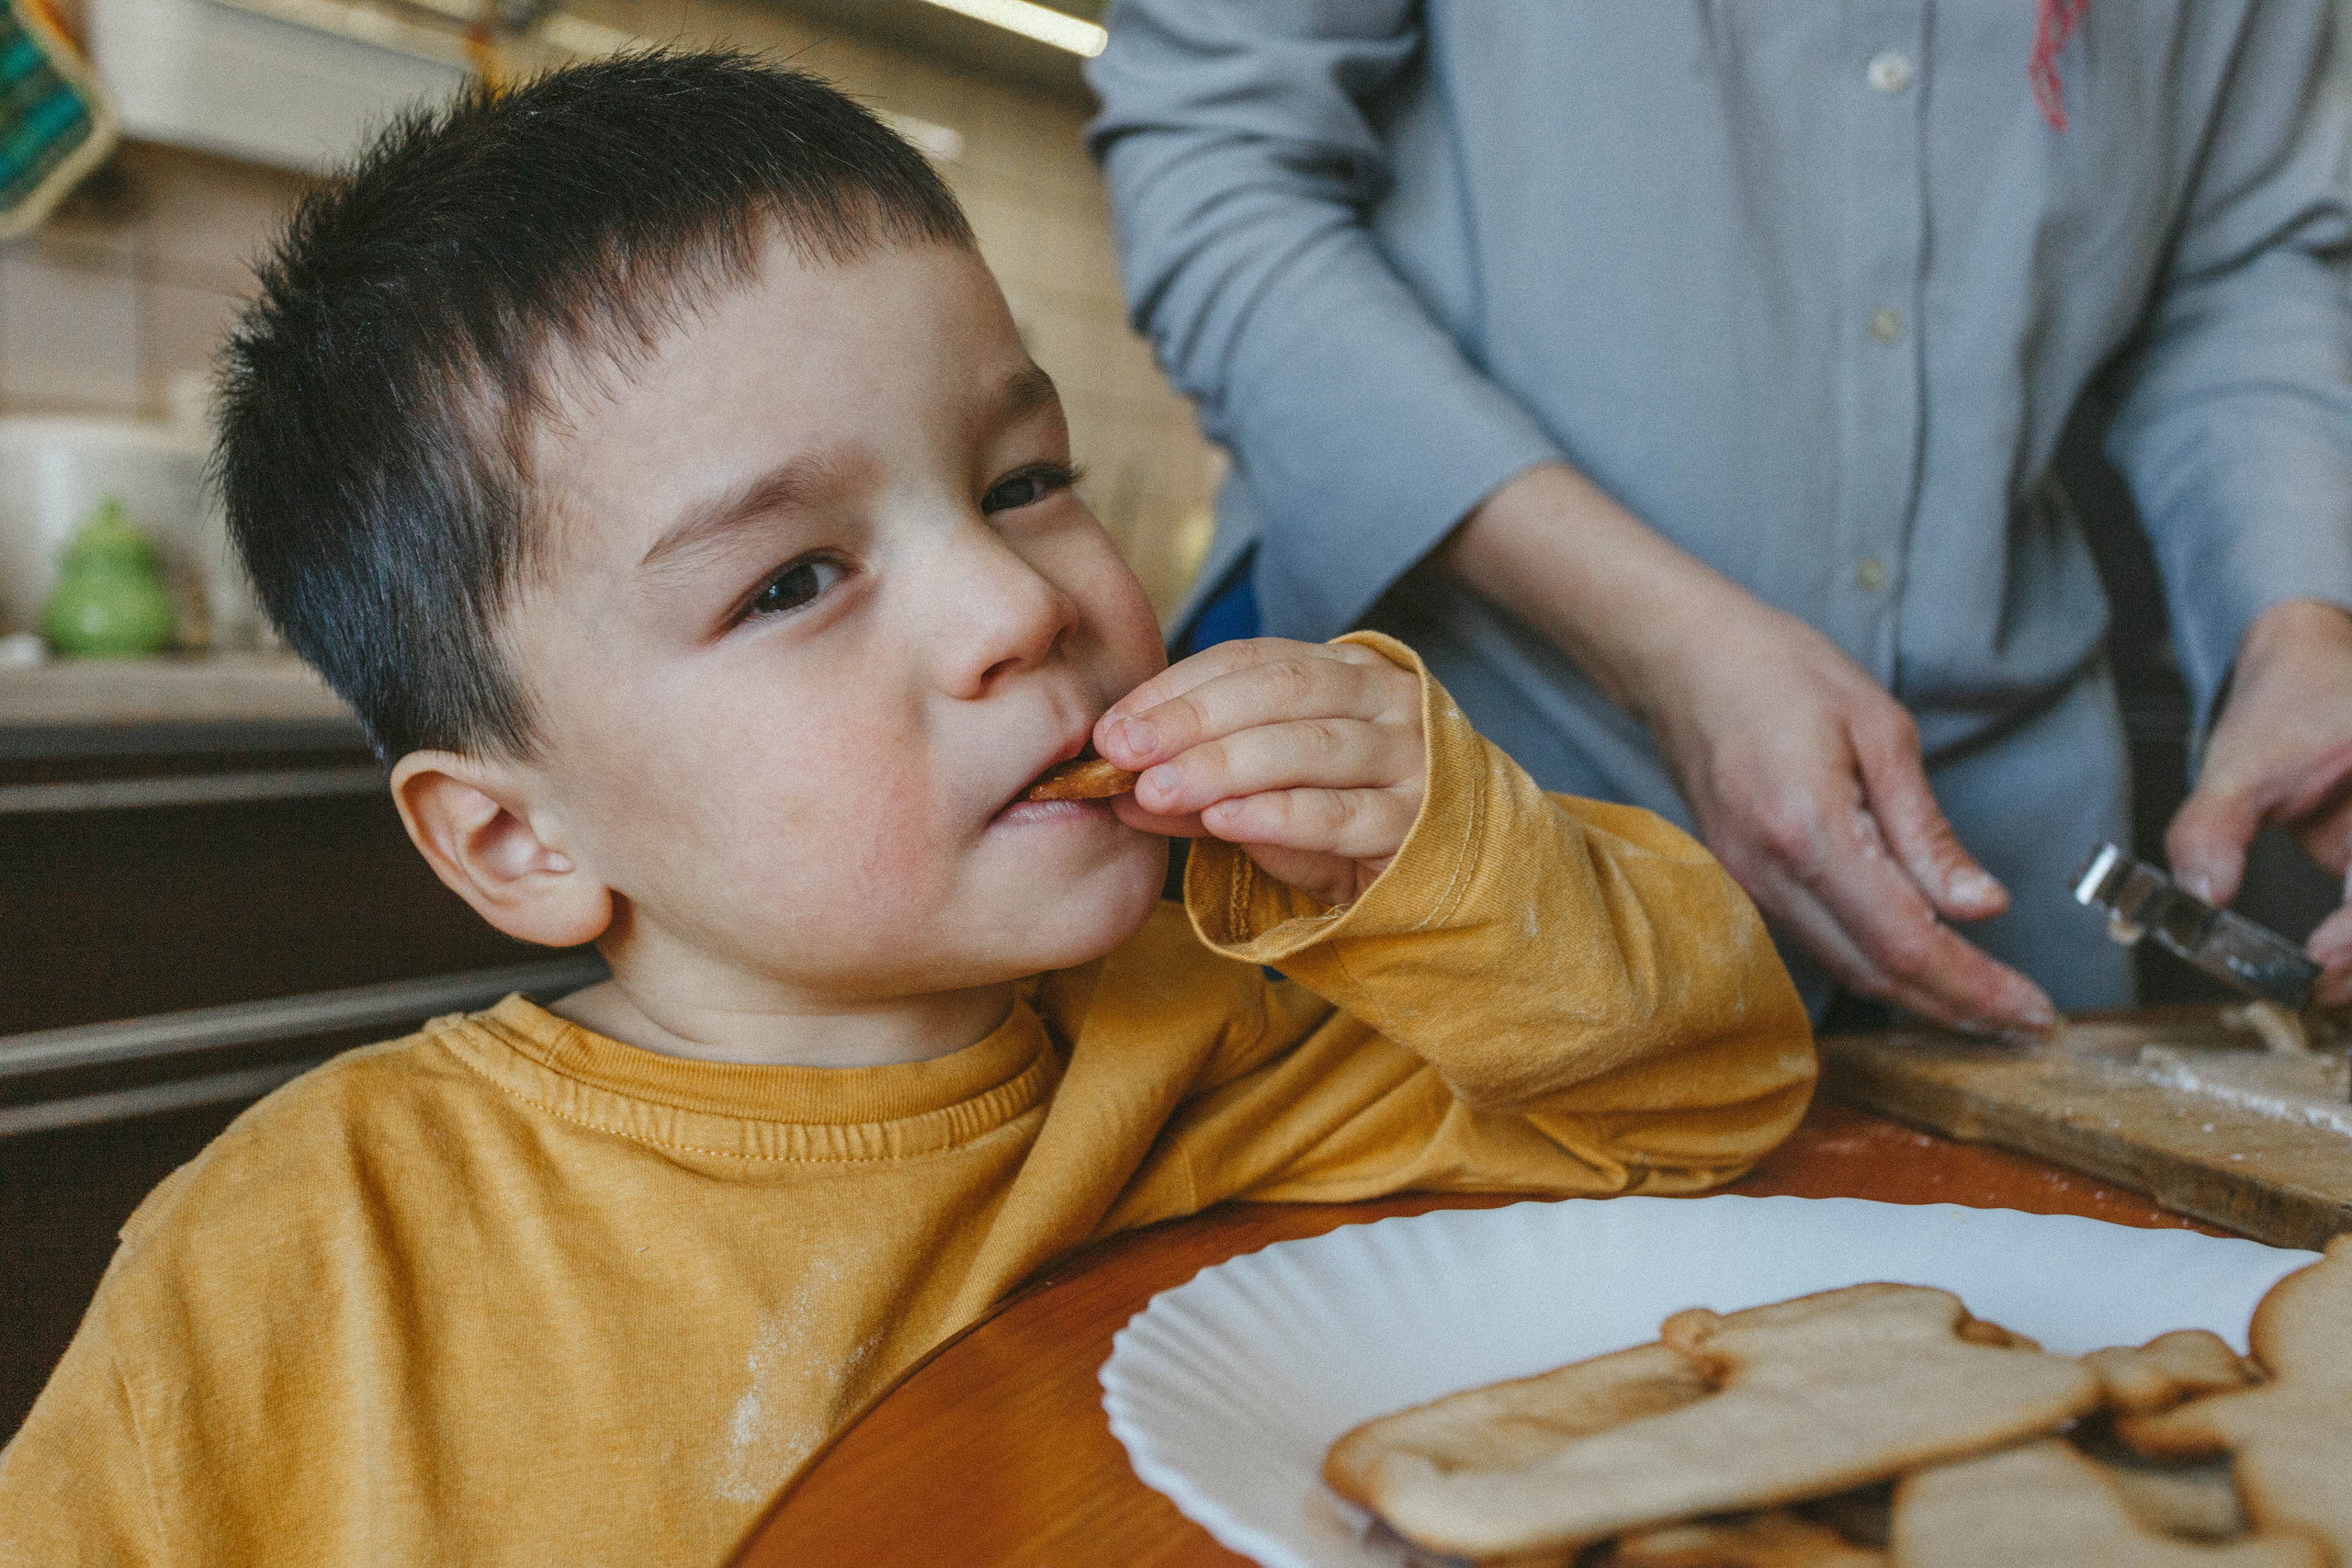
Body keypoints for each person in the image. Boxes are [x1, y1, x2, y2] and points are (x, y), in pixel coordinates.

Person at [0, 54, 1813, 1565]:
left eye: (1024, 479)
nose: (1016, 603)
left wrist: (1439, 848)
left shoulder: (1223, 1034)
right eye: (790, 580)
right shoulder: (299, 1254)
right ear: (517, 839)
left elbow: (1706, 1095)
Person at [1086, 2, 2352, 1033]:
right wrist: (1655, 639)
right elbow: (1217, 165)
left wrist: (2300, 618)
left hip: (2007, 868)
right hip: (1464, 801)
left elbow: (2246, 272)